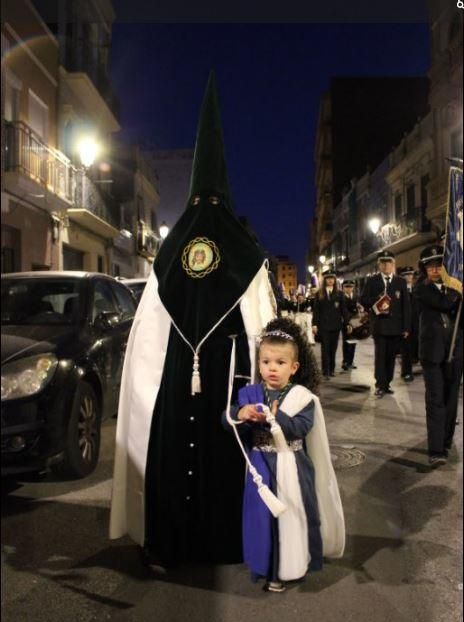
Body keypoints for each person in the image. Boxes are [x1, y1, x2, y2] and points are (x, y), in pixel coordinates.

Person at [109, 72, 276, 567]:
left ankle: (169, 541)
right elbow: (263, 322)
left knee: (175, 453)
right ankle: (227, 542)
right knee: (224, 456)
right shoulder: (245, 250)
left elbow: (148, 331)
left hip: (177, 373)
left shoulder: (171, 246)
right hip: (229, 372)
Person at [223, 318, 345, 592]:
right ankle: (265, 566)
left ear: (294, 367)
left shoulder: (303, 397)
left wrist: (280, 418)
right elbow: (227, 419)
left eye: (279, 363)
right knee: (262, 518)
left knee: (291, 518)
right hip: (261, 464)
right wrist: (239, 414)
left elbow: (303, 427)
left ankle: (287, 566)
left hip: (292, 465)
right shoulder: (250, 393)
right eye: (266, 362)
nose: (272, 369)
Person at [414, 245, 463, 466]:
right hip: (432, 354)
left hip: (455, 352)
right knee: (436, 400)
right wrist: (457, 291)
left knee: (451, 399)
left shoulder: (454, 288)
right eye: (430, 266)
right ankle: (435, 450)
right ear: (424, 269)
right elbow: (443, 303)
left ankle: (446, 441)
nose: (435, 270)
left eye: (439, 265)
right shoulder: (421, 288)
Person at [360, 250, 411, 397]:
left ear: (393, 264)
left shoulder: (400, 282)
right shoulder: (372, 281)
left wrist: (406, 327)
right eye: (383, 263)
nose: (386, 265)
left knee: (391, 357)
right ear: (379, 265)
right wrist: (377, 299)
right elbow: (363, 299)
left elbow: (406, 306)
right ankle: (380, 385)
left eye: (389, 262)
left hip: (396, 327)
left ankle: (387, 383)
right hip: (380, 326)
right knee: (380, 356)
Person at [312, 270, 351, 380]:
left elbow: (344, 310)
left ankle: (332, 369)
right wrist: (314, 324)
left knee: (333, 349)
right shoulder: (319, 293)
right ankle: (326, 371)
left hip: (336, 325)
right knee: (325, 348)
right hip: (323, 325)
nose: (330, 280)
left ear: (334, 280)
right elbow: (316, 311)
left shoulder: (340, 294)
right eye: (328, 278)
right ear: (325, 280)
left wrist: (347, 323)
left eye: (332, 278)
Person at [397, 266, 419, 382]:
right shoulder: (399, 290)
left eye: (410, 275)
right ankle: (406, 372)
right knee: (406, 349)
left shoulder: (417, 289)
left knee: (414, 347)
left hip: (416, 323)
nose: (409, 277)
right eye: (406, 275)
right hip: (405, 324)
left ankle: (413, 367)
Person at [341, 279, 359, 370]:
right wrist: (348, 321)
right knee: (346, 342)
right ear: (343, 288)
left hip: (355, 322)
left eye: (351, 287)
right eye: (346, 287)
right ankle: (345, 361)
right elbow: (343, 311)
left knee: (354, 342)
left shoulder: (356, 296)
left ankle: (351, 361)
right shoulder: (342, 297)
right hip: (346, 322)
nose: (349, 289)